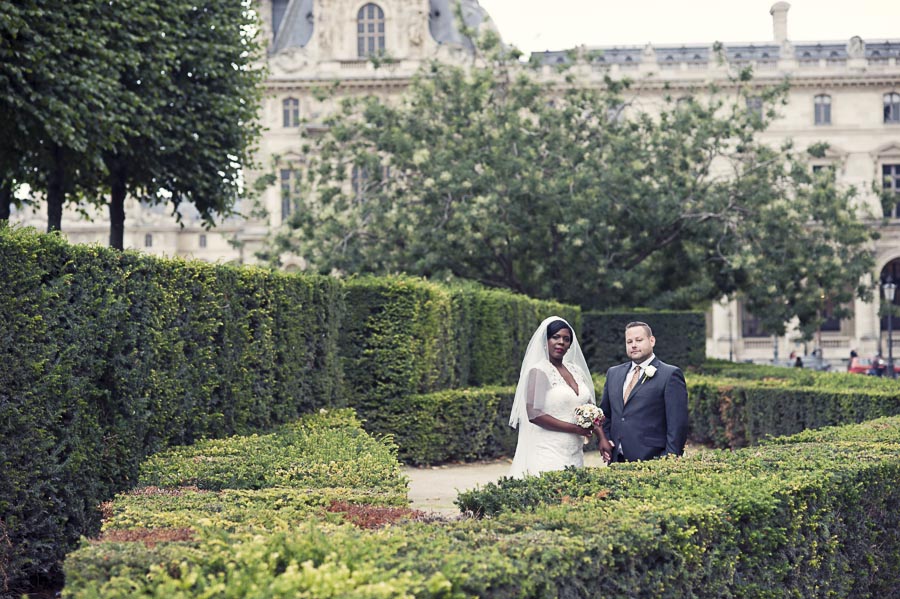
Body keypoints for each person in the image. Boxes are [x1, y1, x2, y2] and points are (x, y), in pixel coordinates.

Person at [508, 316, 606, 478]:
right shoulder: (539, 371)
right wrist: (576, 429)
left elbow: (590, 410)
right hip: (548, 451)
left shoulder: (576, 371)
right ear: (545, 341)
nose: (561, 342)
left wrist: (602, 437)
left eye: (566, 339)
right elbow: (534, 414)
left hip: (575, 451)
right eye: (555, 337)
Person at [598, 321, 688, 463]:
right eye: (629, 341)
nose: (633, 345)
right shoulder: (613, 373)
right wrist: (606, 439)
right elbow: (606, 415)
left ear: (652, 341)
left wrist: (669, 460)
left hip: (652, 461)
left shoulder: (670, 375)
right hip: (616, 460)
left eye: (639, 340)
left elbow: (677, 424)